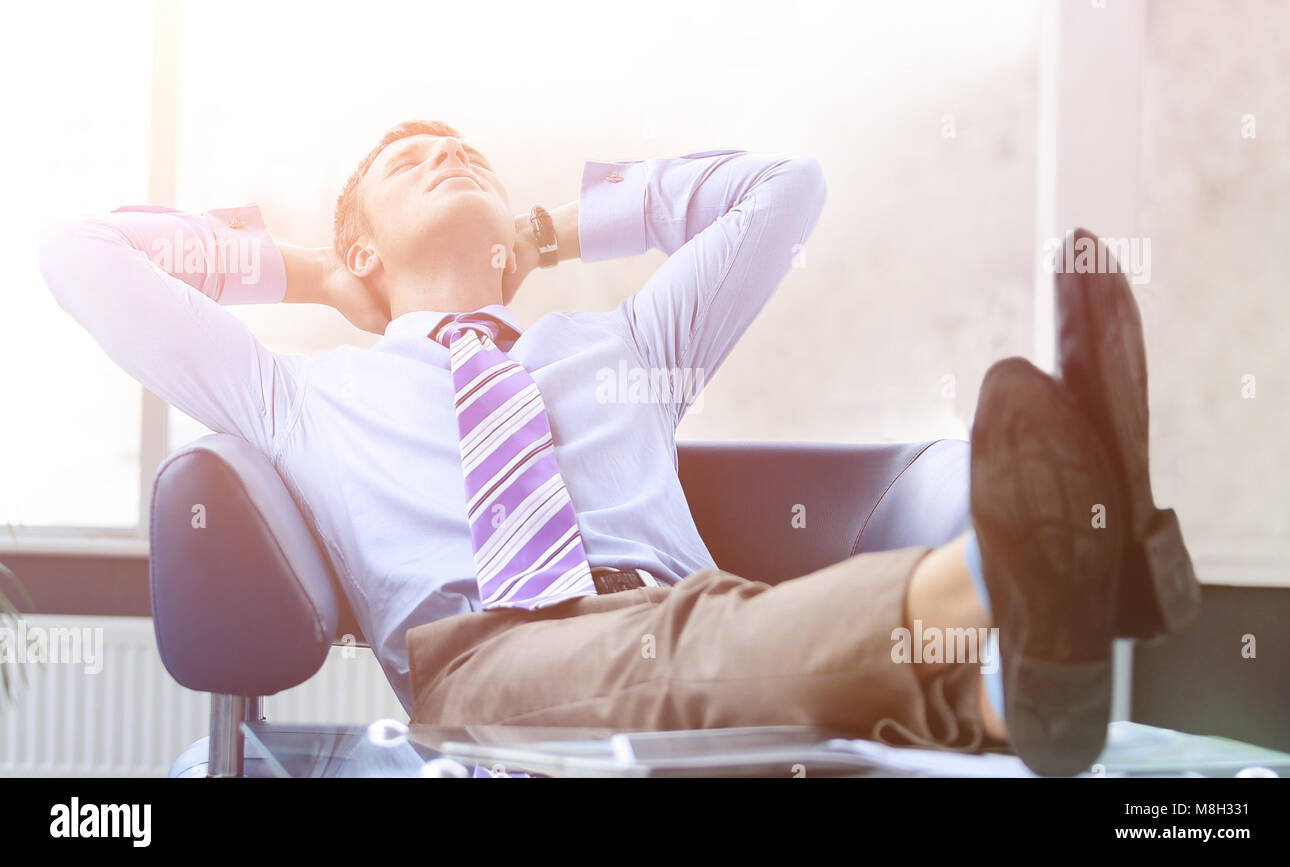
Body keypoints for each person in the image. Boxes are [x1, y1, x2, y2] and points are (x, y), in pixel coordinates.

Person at [38, 119, 1198, 775]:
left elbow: (785, 189)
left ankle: (1032, 665)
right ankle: (1029, 574)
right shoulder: (298, 395)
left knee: (702, 638)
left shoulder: (629, 342)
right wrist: (308, 273)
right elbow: (80, 257)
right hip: (482, 664)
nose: (449, 156)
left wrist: (555, 227)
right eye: (407, 163)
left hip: (690, 613)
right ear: (363, 249)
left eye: (470, 159)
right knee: (691, 644)